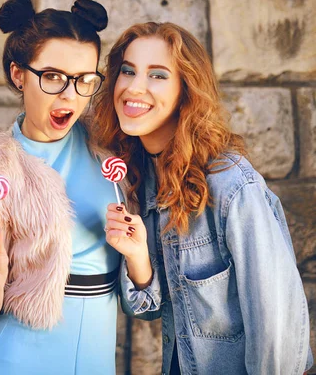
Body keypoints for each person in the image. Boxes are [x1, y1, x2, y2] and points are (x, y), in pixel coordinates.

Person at [0, 0, 161, 375]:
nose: (69, 95)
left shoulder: (111, 150)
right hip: (14, 360)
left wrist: (138, 256)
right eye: (52, 77)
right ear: (18, 74)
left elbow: (144, 302)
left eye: (84, 80)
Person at [93, 21, 314, 374]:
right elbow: (148, 308)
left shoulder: (231, 185)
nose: (135, 87)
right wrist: (137, 257)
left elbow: (278, 327)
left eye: (158, 75)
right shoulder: (140, 180)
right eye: (128, 71)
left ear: (186, 91)